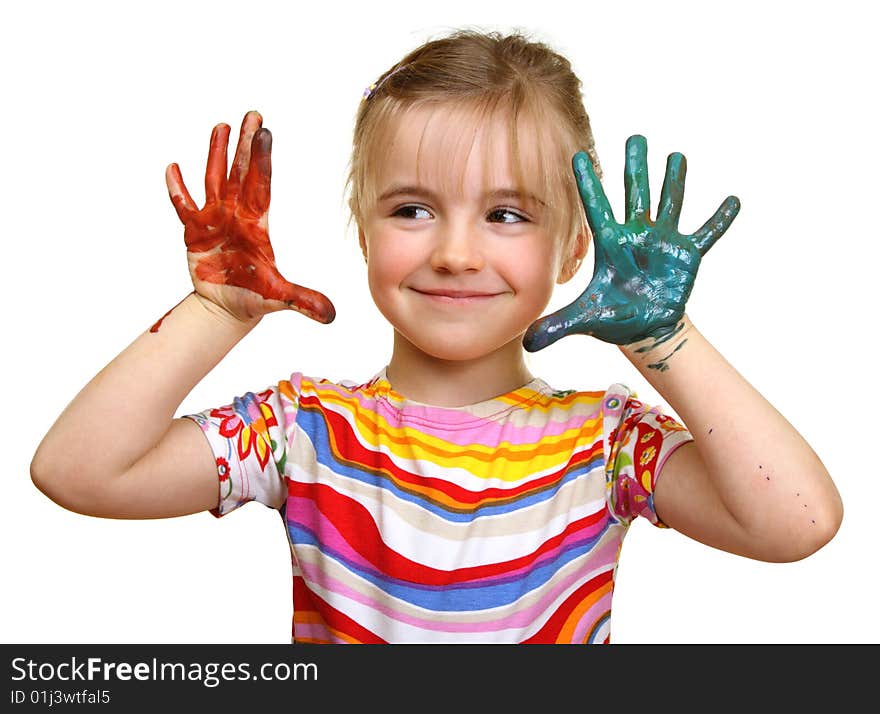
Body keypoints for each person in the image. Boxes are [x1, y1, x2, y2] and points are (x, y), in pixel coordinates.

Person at [30, 28, 843, 644]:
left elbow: (797, 522)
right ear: (363, 228)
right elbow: (79, 473)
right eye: (412, 209)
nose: (455, 253)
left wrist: (665, 338)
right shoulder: (303, 429)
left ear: (573, 247)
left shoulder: (605, 443)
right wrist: (216, 312)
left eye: (506, 214)